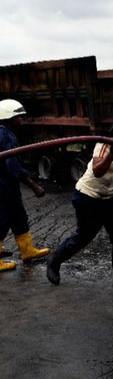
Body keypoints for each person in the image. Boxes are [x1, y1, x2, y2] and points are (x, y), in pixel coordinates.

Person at [46, 116, 113, 285]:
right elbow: (98, 171)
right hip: (87, 196)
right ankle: (54, 262)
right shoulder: (104, 145)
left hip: (109, 198)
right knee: (84, 237)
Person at [0, 99, 50, 272]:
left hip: (8, 186)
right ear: (8, 118)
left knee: (18, 217)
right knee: (2, 220)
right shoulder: (6, 136)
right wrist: (34, 185)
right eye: (19, 117)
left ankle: (27, 251)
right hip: (4, 186)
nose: (21, 120)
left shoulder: (6, 132)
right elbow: (13, 168)